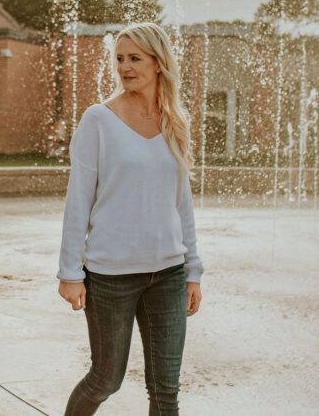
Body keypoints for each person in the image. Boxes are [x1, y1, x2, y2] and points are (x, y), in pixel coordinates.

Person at [58, 22, 203, 416]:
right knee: (105, 379)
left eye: (135, 58)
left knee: (166, 390)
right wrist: (70, 272)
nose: (124, 67)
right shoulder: (98, 120)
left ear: (158, 63)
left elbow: (182, 204)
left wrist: (193, 270)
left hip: (168, 274)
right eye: (120, 58)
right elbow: (78, 199)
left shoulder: (173, 121)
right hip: (110, 276)